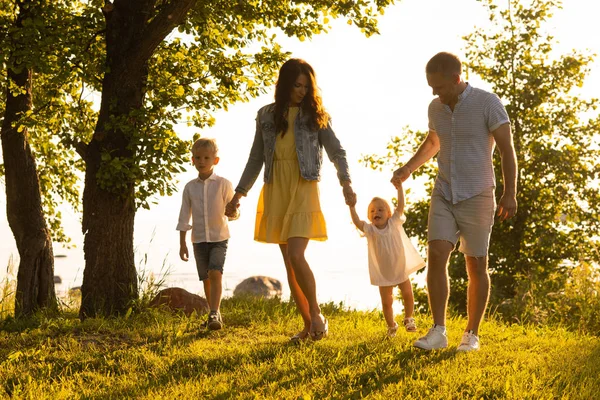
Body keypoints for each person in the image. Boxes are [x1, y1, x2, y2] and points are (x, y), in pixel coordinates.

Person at [392, 52, 518, 351]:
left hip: (478, 193)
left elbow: (507, 150)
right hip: (445, 191)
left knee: (476, 264)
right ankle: (438, 331)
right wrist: (409, 168)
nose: (434, 92)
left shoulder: (487, 102)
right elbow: (434, 142)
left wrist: (509, 192)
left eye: (439, 86)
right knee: (436, 253)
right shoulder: (435, 107)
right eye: (430, 86)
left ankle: (471, 334)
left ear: (456, 78)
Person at [225, 58, 355, 341]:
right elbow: (256, 158)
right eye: (297, 86)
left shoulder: (316, 116)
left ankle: (318, 315)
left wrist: (346, 182)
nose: (302, 92)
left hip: (303, 186)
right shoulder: (266, 116)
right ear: (285, 85)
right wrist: (239, 194)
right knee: (290, 263)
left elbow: (337, 152)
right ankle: (308, 326)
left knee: (297, 255)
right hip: (276, 189)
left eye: (307, 87)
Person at [348, 181, 425, 337]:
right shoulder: (370, 230)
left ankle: (409, 318)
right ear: (369, 216)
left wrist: (400, 188)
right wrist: (352, 206)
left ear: (389, 213)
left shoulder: (393, 223)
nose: (376, 212)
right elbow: (357, 222)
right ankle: (391, 325)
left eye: (381, 209)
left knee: (408, 294)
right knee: (386, 302)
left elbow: (401, 206)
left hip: (400, 267)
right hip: (383, 272)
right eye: (372, 211)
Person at [177, 138, 239, 331]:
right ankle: (214, 313)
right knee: (206, 278)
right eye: (198, 157)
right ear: (192, 160)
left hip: (219, 238)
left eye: (206, 157)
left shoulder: (223, 184)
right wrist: (182, 243)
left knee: (215, 272)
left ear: (215, 160)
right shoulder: (189, 187)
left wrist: (234, 212)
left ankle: (214, 312)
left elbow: (234, 211)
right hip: (198, 240)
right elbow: (184, 216)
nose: (201, 161)